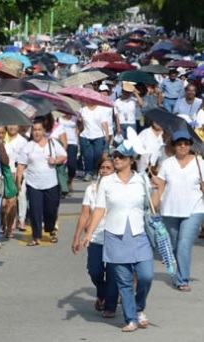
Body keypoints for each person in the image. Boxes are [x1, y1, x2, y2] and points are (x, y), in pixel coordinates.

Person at [82, 143, 154, 333]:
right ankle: (131, 318)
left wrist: (160, 190)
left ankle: (139, 308)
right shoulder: (107, 182)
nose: (117, 159)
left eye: (122, 156)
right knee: (124, 281)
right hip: (115, 235)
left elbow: (151, 205)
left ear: (131, 160)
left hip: (139, 233)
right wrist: (89, 233)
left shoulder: (142, 180)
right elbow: (99, 209)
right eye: (115, 156)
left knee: (146, 276)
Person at [151, 131, 204, 292]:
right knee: (173, 244)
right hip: (170, 210)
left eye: (186, 143)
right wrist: (154, 206)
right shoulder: (167, 163)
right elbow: (160, 186)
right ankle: (178, 272)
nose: (183, 146)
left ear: (190, 145)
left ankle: (182, 279)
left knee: (183, 244)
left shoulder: (200, 163)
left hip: (194, 209)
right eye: (179, 143)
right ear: (173, 146)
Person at [72, 158, 118, 318]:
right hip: (95, 236)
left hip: (115, 237)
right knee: (95, 271)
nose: (104, 170)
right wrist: (77, 237)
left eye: (108, 168)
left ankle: (110, 306)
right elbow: (85, 214)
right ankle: (102, 293)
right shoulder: (91, 189)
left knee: (113, 273)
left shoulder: (120, 189)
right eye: (102, 168)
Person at [16, 118, 66, 246]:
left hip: (51, 183)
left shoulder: (52, 143)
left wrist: (55, 161)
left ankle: (51, 230)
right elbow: (21, 165)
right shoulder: (28, 146)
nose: (37, 133)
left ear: (44, 130)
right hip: (33, 184)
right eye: (34, 130)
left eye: (39, 130)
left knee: (50, 210)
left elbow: (63, 156)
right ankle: (36, 236)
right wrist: (18, 182)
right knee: (35, 211)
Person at [79, 101, 110, 182]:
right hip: (85, 135)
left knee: (97, 155)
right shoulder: (83, 110)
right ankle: (88, 173)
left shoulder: (101, 110)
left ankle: (96, 171)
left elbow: (104, 123)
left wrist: (107, 134)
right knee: (87, 155)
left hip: (99, 135)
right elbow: (79, 123)